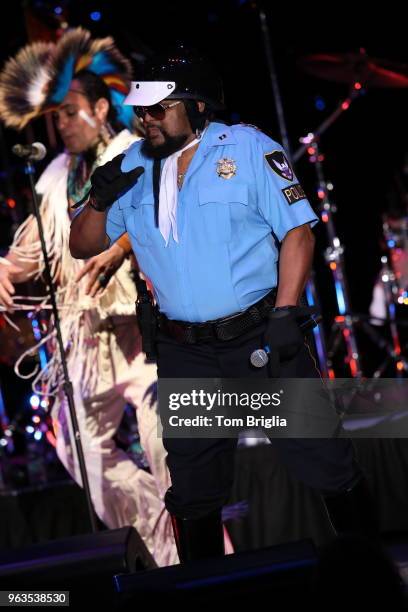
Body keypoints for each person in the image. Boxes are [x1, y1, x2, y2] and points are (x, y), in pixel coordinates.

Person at [69, 47, 378, 563]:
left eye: (157, 110)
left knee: (324, 460)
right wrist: (98, 201)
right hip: (185, 351)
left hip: (260, 339)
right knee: (193, 489)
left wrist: (285, 313)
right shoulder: (129, 166)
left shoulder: (249, 149)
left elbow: (298, 233)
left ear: (196, 106)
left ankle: (370, 577)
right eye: (139, 111)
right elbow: (83, 246)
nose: (144, 120)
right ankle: (204, 594)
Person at [0, 28, 177, 566]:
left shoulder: (136, 153)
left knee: (169, 450)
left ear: (102, 108)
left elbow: (166, 211)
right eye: (56, 116)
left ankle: (199, 560)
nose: (61, 124)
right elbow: (28, 254)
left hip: (142, 334)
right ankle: (160, 531)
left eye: (71, 112)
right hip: (84, 341)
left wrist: (122, 246)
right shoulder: (54, 176)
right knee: (78, 447)